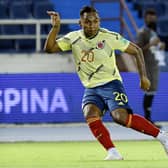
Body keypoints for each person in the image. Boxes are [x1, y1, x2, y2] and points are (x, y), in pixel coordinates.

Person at [44, 6, 168, 160]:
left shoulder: (109, 37)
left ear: (99, 21)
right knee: (90, 114)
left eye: (96, 21)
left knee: (120, 117)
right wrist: (55, 27)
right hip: (91, 87)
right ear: (80, 23)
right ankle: (112, 152)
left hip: (111, 83)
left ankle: (162, 136)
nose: (92, 25)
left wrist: (143, 76)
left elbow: (136, 50)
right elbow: (49, 49)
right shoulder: (73, 38)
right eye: (88, 22)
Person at [136, 9, 165, 125]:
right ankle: (147, 119)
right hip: (147, 65)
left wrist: (161, 46)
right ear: (145, 18)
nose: (152, 20)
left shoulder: (155, 31)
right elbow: (138, 51)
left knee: (152, 91)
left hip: (155, 65)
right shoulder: (142, 32)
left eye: (153, 18)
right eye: (149, 18)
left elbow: (156, 46)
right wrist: (150, 45)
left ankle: (148, 119)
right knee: (149, 91)